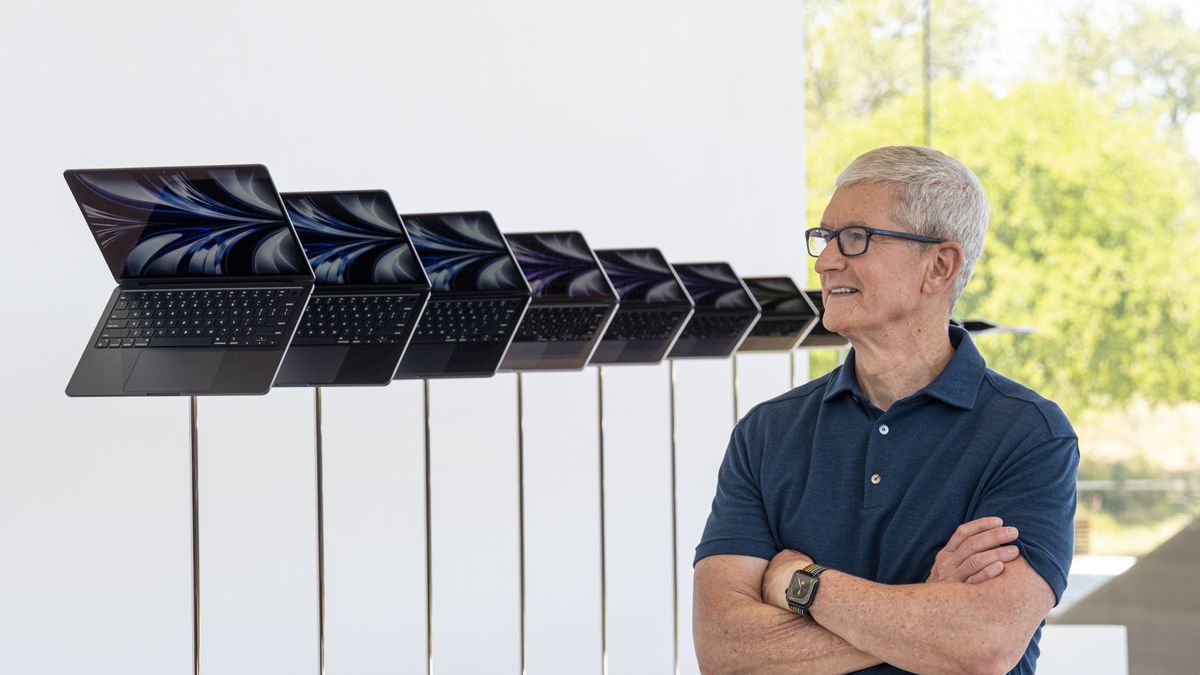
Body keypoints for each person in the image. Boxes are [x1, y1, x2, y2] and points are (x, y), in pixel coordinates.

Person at [693, 146, 1078, 674]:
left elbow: (983, 643)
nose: (826, 261)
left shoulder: (1029, 434)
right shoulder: (766, 433)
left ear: (939, 266)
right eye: (825, 237)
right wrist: (929, 612)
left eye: (856, 237)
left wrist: (801, 585)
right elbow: (724, 651)